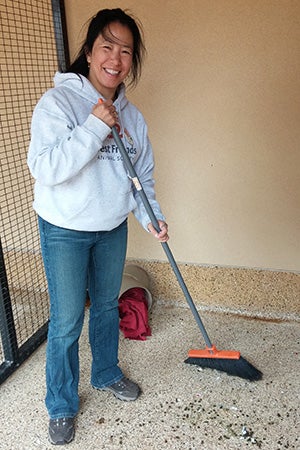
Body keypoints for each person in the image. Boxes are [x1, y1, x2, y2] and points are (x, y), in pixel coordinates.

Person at [27, 8, 168, 446]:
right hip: (65, 229)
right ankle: (62, 404)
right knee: (67, 320)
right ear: (89, 53)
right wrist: (93, 125)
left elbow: (140, 179)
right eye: (107, 46)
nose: (116, 57)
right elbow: (45, 168)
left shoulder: (134, 117)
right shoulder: (58, 103)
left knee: (106, 307)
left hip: (110, 227)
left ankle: (107, 372)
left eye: (126, 51)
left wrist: (151, 216)